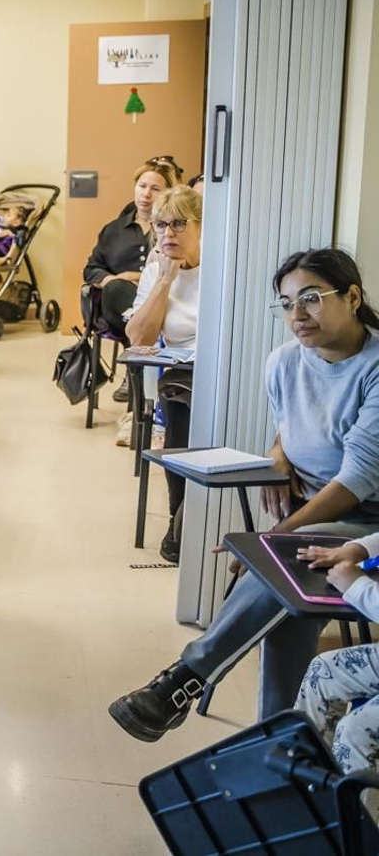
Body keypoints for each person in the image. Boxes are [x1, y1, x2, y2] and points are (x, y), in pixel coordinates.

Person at [110, 247, 379, 739]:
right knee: (291, 594)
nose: (297, 315)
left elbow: (358, 478)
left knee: (287, 563)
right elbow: (292, 429)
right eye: (287, 303)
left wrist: (273, 539)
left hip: (368, 522)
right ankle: (278, 739)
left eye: (313, 299)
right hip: (311, 511)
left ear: (354, 297)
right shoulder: (284, 362)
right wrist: (277, 458)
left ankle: (188, 678)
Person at [124, 184, 203, 562]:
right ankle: (181, 517)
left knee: (184, 410)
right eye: (160, 225)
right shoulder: (157, 269)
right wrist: (166, 280)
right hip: (178, 379)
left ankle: (186, 520)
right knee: (179, 408)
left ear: (202, 226)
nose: (168, 234)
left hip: (218, 373)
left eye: (178, 224)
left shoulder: (221, 267)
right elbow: (139, 336)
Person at [83, 160, 177, 340]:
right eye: (142, 186)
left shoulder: (171, 231)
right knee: (115, 288)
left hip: (164, 302)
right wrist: (113, 280)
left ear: (168, 194)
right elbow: (91, 269)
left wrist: (135, 277)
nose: (146, 194)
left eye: (155, 189)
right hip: (119, 311)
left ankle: (138, 357)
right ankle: (142, 344)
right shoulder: (113, 230)